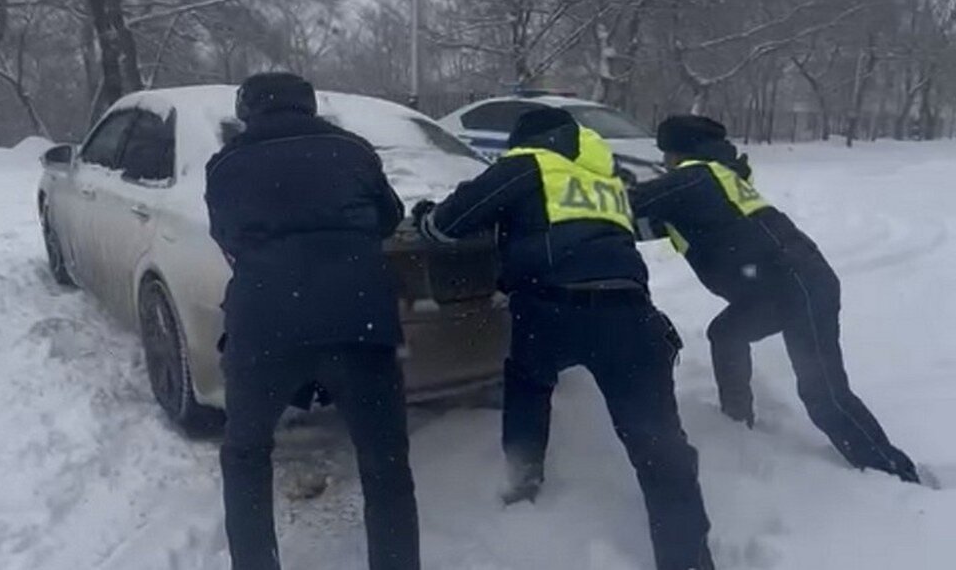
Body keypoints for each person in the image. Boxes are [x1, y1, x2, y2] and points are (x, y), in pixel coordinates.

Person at [414, 108, 714, 570]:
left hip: (551, 309)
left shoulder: (527, 164)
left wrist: (426, 216)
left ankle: (521, 486)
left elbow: (447, 226)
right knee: (657, 444)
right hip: (631, 316)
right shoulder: (607, 182)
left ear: (526, 141)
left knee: (529, 385)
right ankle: (689, 559)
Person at [628, 114, 919, 484]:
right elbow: (642, 224)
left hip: (797, 286)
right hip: (779, 287)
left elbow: (626, 204)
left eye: (665, 153)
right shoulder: (713, 180)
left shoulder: (695, 177)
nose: (664, 162)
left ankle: (894, 473)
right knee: (727, 334)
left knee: (823, 393)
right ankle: (737, 422)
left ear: (676, 152)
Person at [205, 72, 420, 570]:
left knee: (245, 456)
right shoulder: (353, 150)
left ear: (248, 110)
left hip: (264, 325)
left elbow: (226, 235)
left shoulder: (227, 162)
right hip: (358, 321)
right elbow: (390, 217)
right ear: (310, 105)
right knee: (385, 463)